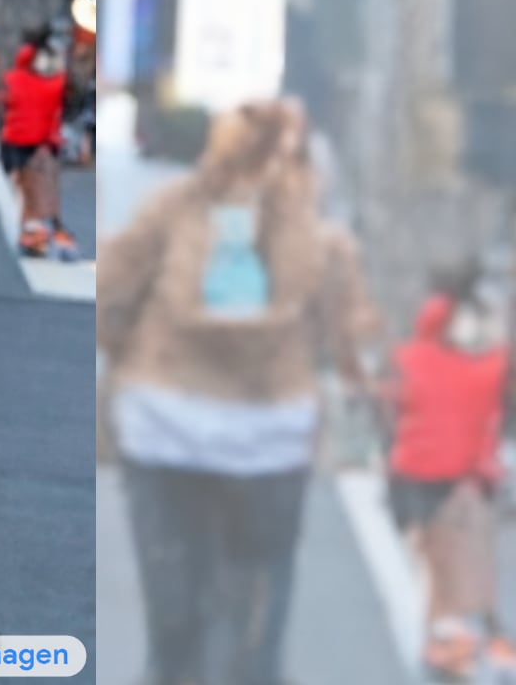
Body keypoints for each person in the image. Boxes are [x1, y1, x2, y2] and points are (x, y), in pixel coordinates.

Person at [99, 98, 380, 685]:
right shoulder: (318, 235)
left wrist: (128, 357)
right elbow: (347, 335)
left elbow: (113, 292)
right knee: (255, 603)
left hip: (164, 426)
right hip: (270, 439)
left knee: (173, 612)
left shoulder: (173, 208)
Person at [381, 261, 516, 682]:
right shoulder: (481, 368)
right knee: (459, 572)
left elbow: (390, 405)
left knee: (442, 574)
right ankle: (462, 648)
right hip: (456, 482)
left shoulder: (410, 358)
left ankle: (453, 646)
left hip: (414, 480)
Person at [0, 23, 79, 260]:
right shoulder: (52, 84)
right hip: (36, 144)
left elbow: (2, 102)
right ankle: (37, 233)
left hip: (17, 143)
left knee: (28, 190)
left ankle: (32, 233)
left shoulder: (12, 80)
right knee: (37, 190)